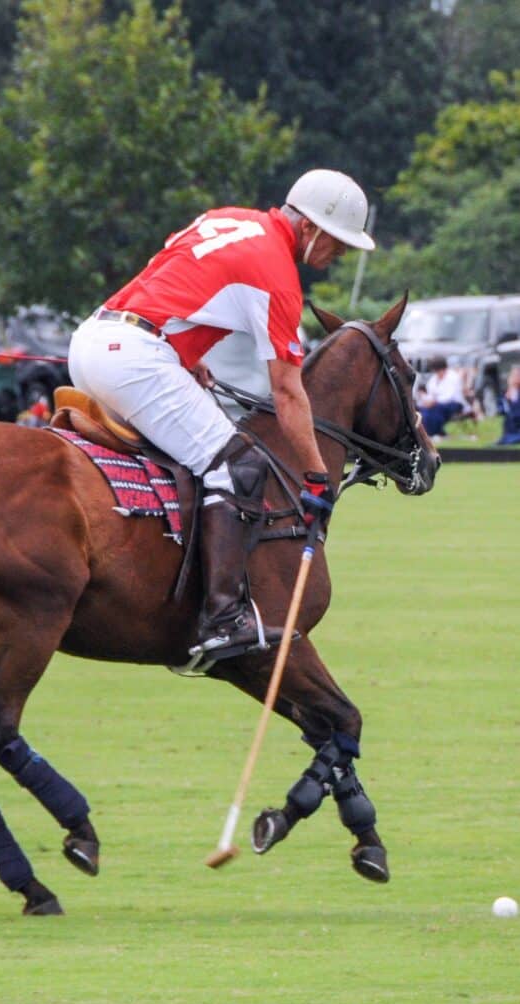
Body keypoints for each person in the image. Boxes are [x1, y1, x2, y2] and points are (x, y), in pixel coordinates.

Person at [68, 168, 375, 658]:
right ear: (311, 228)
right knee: (238, 467)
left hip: (95, 338)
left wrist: (188, 356)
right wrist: (317, 474)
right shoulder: (278, 274)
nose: (337, 255)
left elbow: (169, 276)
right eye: (336, 243)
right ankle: (223, 615)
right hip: (134, 356)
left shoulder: (229, 218)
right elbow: (288, 392)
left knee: (192, 458)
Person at [416, 356, 466, 440]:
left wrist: (434, 402)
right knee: (422, 410)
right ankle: (427, 432)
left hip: (454, 404)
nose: (437, 373)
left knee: (435, 409)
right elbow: (430, 394)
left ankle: (432, 432)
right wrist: (423, 397)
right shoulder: (434, 379)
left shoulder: (453, 377)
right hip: (436, 404)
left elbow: (450, 396)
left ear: (443, 369)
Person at [495, 365, 520, 445]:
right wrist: (506, 399)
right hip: (509, 431)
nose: (513, 378)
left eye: (516, 376)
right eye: (512, 375)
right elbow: (501, 411)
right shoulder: (507, 394)